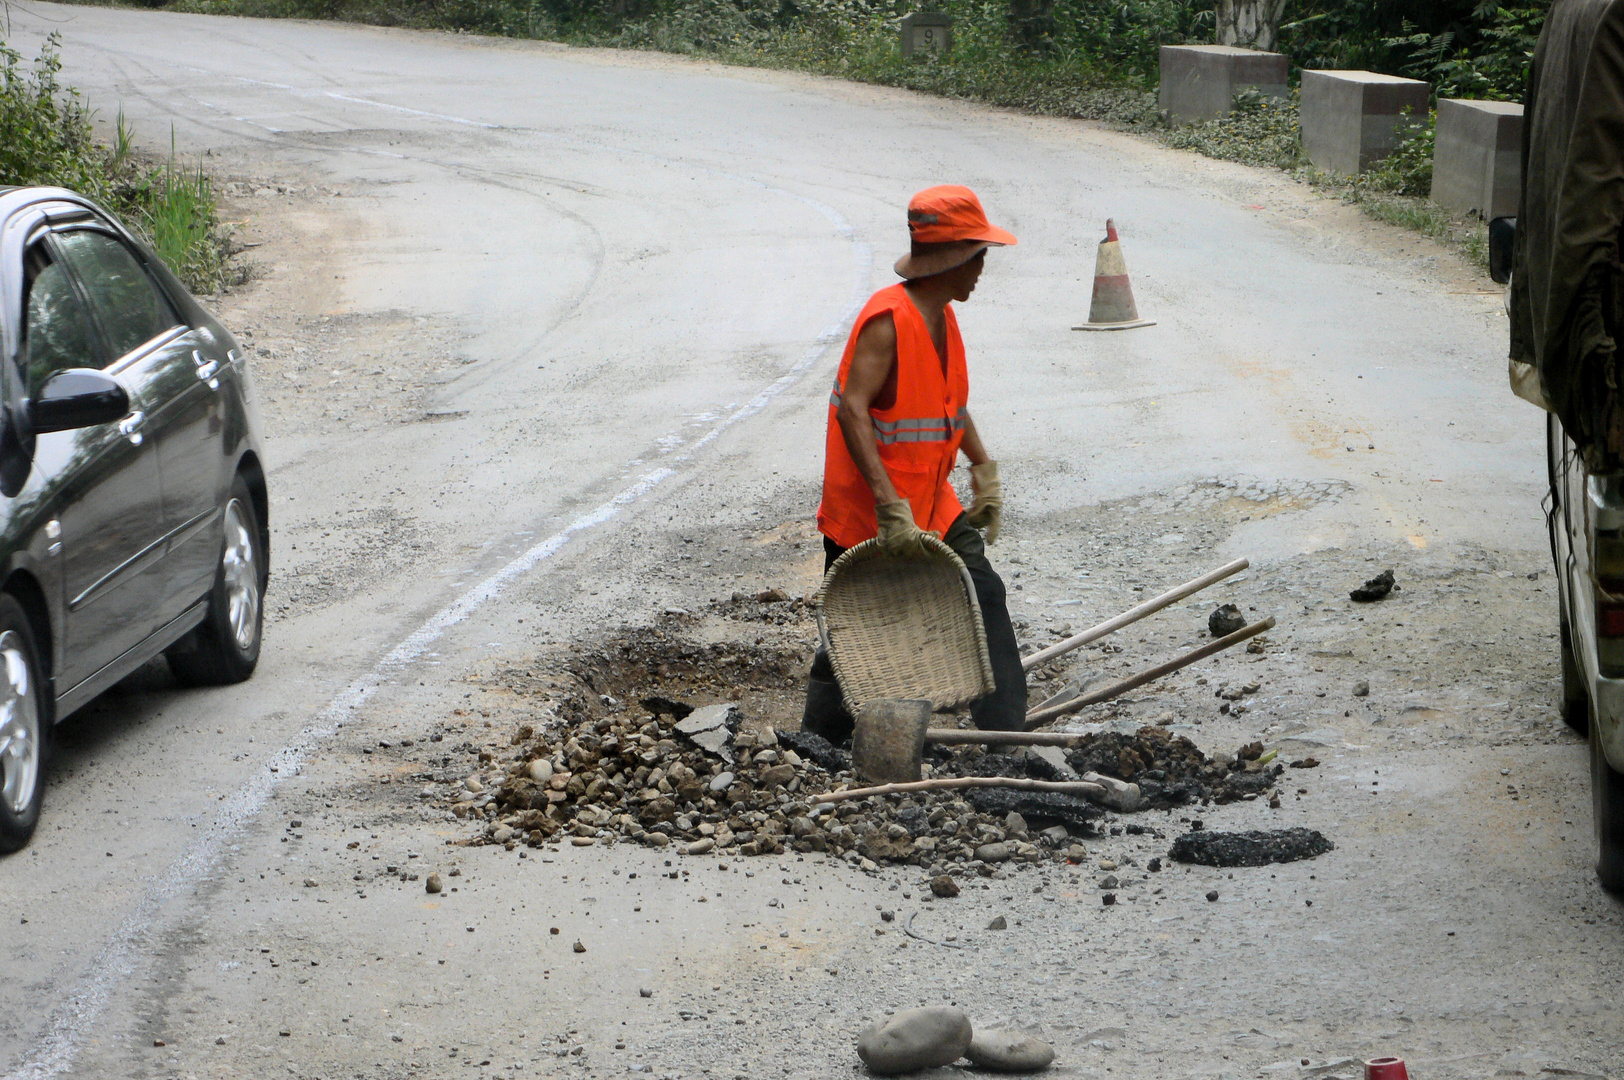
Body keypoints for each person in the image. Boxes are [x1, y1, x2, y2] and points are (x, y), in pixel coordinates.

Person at [801, 184, 1027, 741]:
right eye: (977, 258)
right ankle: (818, 740)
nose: (981, 270)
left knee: (984, 592)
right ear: (951, 259)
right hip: (872, 509)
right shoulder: (888, 319)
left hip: (931, 499)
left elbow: (950, 404)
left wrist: (983, 470)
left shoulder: (942, 316)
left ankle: (1006, 736)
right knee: (859, 621)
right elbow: (854, 410)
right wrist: (888, 506)